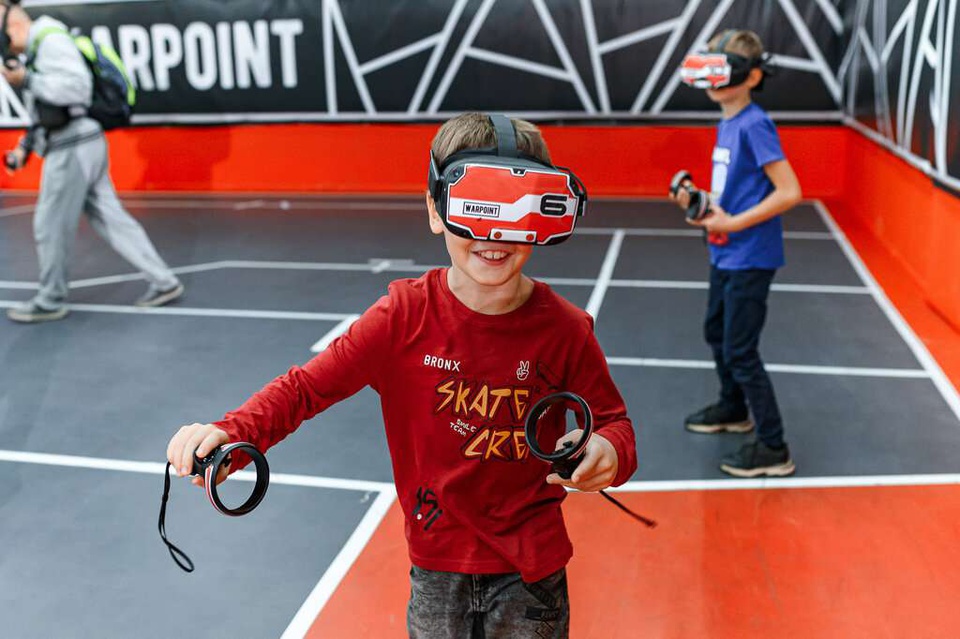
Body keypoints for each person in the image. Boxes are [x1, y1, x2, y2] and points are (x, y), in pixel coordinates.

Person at [166, 112, 637, 638]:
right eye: (479, 205)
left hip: (532, 571)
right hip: (436, 564)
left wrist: (607, 451)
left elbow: (615, 425)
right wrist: (234, 432)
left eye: (515, 208)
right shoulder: (402, 318)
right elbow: (306, 389)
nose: (495, 233)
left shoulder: (566, 329)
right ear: (436, 208)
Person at [671, 29, 802, 477]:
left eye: (721, 69)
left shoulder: (754, 124)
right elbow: (736, 192)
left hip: (751, 256)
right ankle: (733, 407)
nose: (712, 80)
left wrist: (733, 223)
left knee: (741, 351)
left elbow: (789, 191)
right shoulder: (728, 124)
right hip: (725, 252)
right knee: (716, 333)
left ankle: (773, 447)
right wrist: (701, 202)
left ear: (751, 77)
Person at [0, 4, 183, 323]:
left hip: (72, 145)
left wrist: (27, 79)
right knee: (112, 219)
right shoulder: (44, 44)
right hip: (81, 141)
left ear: (13, 24)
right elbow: (47, 111)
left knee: (50, 224)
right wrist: (25, 148)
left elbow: (76, 89)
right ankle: (164, 282)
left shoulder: (50, 41)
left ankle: (50, 299)